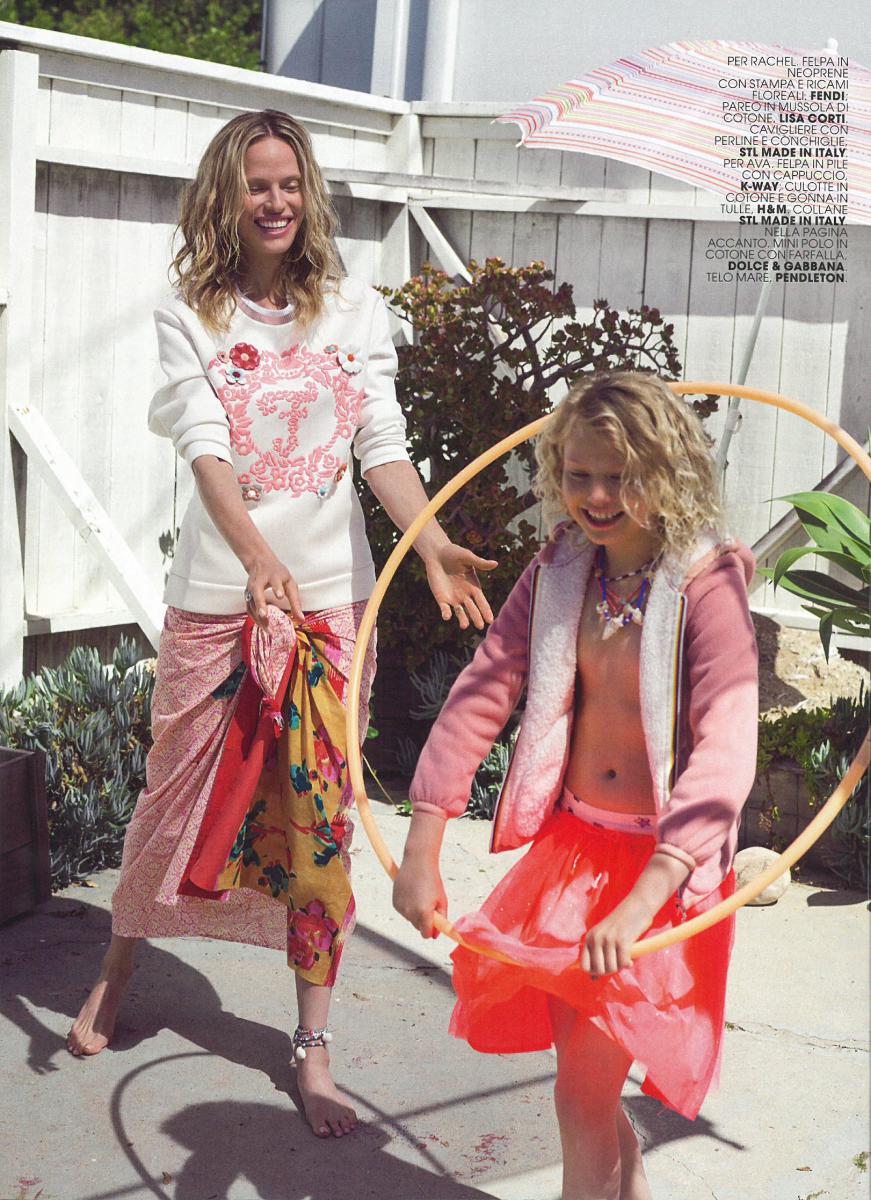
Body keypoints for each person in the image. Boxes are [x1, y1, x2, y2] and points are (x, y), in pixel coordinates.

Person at [67, 109, 497, 1140]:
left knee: (321, 821)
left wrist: (431, 543)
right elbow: (206, 446)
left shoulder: (355, 312)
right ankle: (119, 964)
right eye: (256, 184)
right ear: (227, 195)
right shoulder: (191, 315)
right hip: (219, 597)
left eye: (290, 183)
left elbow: (380, 444)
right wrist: (258, 560)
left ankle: (312, 1043)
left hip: (332, 604)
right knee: (171, 799)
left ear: (309, 194)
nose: (275, 201)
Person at [393, 371, 759, 1200]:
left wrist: (642, 902)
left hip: (657, 874)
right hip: (569, 860)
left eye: (620, 477)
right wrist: (421, 845)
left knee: (580, 1094)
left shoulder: (705, 585)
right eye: (578, 475)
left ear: (667, 473)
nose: (596, 497)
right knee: (585, 1083)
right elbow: (482, 693)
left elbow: (727, 746)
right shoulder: (560, 573)